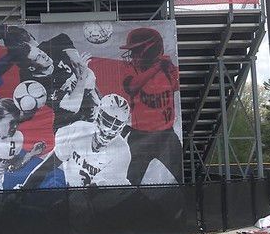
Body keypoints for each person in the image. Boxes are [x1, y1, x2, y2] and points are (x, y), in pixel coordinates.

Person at [0, 25, 100, 129]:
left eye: (38, 49)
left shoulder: (53, 44)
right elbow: (70, 107)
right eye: (38, 54)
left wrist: (79, 65)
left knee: (90, 80)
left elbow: (80, 67)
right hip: (71, 124)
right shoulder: (31, 83)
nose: (44, 53)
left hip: (93, 104)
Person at [18, 94, 131, 189]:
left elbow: (103, 194)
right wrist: (23, 190)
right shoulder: (77, 131)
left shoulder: (121, 151)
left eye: (116, 125)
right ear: (98, 115)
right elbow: (46, 167)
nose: (110, 129)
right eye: (108, 120)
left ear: (122, 127)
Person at [119, 26, 183, 185]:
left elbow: (176, 87)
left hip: (166, 134)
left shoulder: (167, 68)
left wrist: (164, 67)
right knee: (130, 181)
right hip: (140, 136)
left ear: (150, 50)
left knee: (180, 178)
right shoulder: (131, 69)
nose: (133, 56)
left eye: (136, 51)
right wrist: (156, 68)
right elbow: (132, 87)